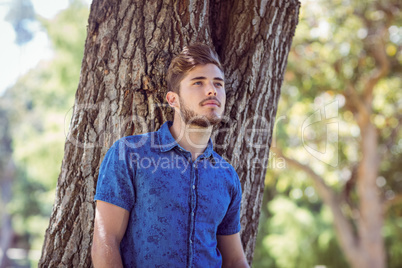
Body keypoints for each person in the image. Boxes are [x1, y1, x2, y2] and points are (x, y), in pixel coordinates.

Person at [91, 44, 249, 268]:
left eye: (218, 83)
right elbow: (106, 241)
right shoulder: (130, 154)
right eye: (198, 82)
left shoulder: (227, 176)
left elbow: (234, 261)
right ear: (173, 99)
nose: (212, 90)